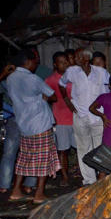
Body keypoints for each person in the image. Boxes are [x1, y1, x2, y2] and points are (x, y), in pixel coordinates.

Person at [2, 50, 60, 202]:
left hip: (24, 124)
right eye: (35, 61)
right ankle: (39, 193)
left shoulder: (11, 78)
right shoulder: (33, 78)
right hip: (39, 123)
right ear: (27, 61)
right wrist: (42, 97)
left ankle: (16, 190)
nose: (36, 64)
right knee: (42, 158)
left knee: (24, 158)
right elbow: (53, 96)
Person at [59, 48, 109, 185]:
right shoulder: (72, 71)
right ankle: (89, 180)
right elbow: (61, 84)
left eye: (77, 57)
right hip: (80, 115)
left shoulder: (101, 72)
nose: (74, 60)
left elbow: (110, 89)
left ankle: (101, 176)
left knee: (99, 147)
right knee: (83, 148)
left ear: (86, 59)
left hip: (98, 116)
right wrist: (67, 100)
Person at [45, 51, 76, 184]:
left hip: (76, 118)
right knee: (63, 150)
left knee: (79, 148)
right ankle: (64, 176)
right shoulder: (50, 80)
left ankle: (83, 173)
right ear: (55, 64)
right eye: (61, 62)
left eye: (66, 62)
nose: (65, 65)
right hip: (60, 120)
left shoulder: (74, 77)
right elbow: (46, 100)